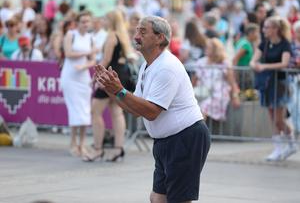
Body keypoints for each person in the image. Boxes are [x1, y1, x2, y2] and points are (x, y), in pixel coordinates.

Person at [94, 16, 210, 203]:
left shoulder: (166, 67)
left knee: (178, 200)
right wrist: (112, 91)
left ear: (160, 38)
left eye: (143, 31)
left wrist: (120, 90)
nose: (136, 36)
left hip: (185, 138)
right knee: (157, 198)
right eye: (136, 30)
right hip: (166, 141)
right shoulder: (147, 66)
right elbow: (136, 109)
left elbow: (151, 112)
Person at [83, 10, 136, 162]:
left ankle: (98, 149)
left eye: (105, 18)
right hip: (120, 75)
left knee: (95, 111)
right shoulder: (122, 36)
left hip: (110, 75)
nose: (103, 21)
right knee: (116, 111)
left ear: (111, 21)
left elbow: (106, 59)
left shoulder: (112, 35)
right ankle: (118, 149)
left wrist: (95, 78)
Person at [250, 16, 296, 161]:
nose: (264, 30)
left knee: (279, 119)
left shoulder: (285, 44)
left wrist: (265, 67)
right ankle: (278, 148)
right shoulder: (264, 43)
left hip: (280, 84)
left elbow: (284, 63)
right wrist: (255, 65)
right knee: (272, 117)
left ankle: (290, 143)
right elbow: (253, 60)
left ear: (276, 29)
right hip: (267, 84)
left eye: (267, 27)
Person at [60, 11, 96, 157]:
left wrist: (84, 66)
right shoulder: (71, 35)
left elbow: (93, 60)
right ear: (77, 22)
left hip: (83, 76)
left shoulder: (90, 38)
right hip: (70, 75)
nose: (85, 24)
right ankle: (72, 143)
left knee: (85, 109)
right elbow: (68, 54)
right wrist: (87, 53)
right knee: (74, 109)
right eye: (83, 21)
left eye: (88, 21)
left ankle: (82, 144)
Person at [193, 38, 240, 122]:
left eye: (209, 48)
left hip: (219, 94)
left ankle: (199, 133)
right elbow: (194, 79)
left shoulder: (224, 63)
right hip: (202, 92)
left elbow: (231, 81)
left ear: (215, 50)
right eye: (206, 47)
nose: (206, 49)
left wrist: (235, 97)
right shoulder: (201, 62)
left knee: (204, 107)